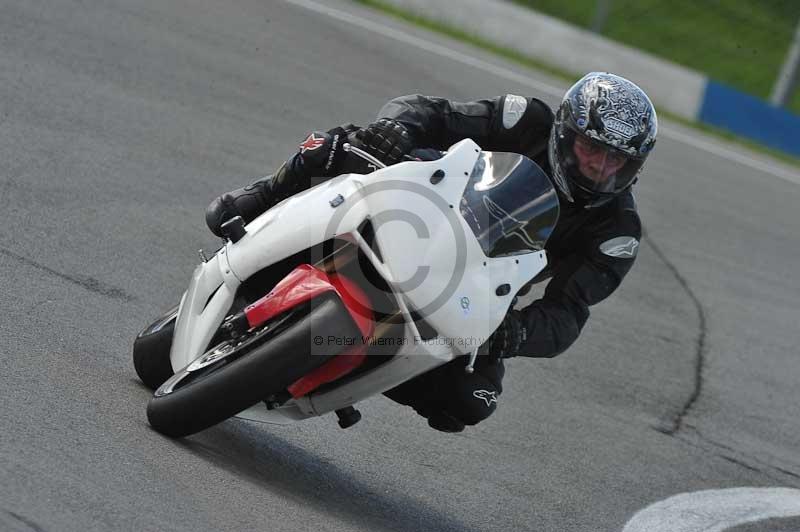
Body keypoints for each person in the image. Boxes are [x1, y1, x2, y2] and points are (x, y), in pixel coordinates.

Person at [205, 72, 658, 433]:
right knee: (344, 143)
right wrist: (396, 128)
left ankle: (345, 378)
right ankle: (262, 197)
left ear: (633, 165)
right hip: (418, 205)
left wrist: (516, 331)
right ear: (565, 133)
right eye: (591, 148)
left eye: (615, 159)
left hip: (474, 287)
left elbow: (567, 315)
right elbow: (430, 110)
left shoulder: (616, 231)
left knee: (469, 401)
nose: (599, 167)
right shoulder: (524, 121)